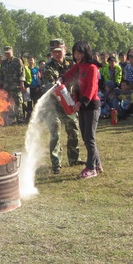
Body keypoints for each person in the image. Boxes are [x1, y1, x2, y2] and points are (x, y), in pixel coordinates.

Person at [59, 40, 102, 179]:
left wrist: (81, 103)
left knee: (89, 137)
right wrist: (61, 79)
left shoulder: (92, 68)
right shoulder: (78, 67)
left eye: (79, 53)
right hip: (82, 107)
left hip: (91, 106)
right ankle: (97, 164)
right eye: (75, 53)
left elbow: (91, 88)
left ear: (85, 52)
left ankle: (91, 168)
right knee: (86, 136)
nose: (76, 56)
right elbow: (69, 74)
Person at [42, 39, 83, 174]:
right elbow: (53, 86)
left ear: (65, 50)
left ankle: (74, 158)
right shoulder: (49, 67)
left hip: (70, 103)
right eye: (54, 52)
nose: (57, 54)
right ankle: (56, 164)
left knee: (73, 130)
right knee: (55, 133)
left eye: (59, 51)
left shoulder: (72, 63)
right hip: (53, 104)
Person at [0, 46, 26, 125]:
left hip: (16, 86)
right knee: (9, 104)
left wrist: (22, 83)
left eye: (8, 53)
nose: (7, 54)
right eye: (5, 53)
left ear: (12, 51)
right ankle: (12, 121)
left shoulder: (17, 61)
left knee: (18, 103)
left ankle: (20, 120)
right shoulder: (4, 63)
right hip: (6, 87)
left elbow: (22, 73)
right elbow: (1, 74)